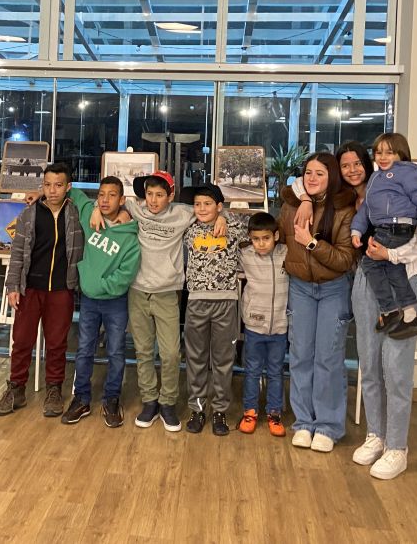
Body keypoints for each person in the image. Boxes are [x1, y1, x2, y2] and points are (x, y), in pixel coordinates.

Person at [295, 141, 417, 479]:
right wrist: (307, 200)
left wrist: (389, 255)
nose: (352, 170)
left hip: (403, 283)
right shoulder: (348, 199)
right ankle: (375, 436)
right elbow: (300, 182)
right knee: (369, 366)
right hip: (365, 285)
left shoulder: (405, 191)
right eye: (345, 165)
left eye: (358, 163)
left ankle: (397, 447)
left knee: (396, 371)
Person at [90, 170, 224, 432]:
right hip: (137, 290)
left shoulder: (183, 213)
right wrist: (97, 208)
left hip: (167, 292)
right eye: (149, 194)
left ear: (170, 196)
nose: (153, 200)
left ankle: (168, 403)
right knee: (143, 351)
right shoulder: (135, 209)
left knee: (171, 353)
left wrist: (223, 217)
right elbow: (111, 204)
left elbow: (209, 210)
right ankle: (150, 401)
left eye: (160, 195)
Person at [0, 163, 85, 417]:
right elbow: (17, 252)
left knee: (57, 343)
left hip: (62, 289)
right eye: (47, 185)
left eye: (58, 185)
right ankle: (16, 388)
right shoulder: (29, 214)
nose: (52, 190)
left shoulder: (76, 213)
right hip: (30, 287)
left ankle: (54, 389)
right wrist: (13, 285)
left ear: (68, 187)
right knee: (22, 341)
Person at [277, 153, 356, 453]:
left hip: (333, 288)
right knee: (300, 355)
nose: (312, 178)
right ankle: (303, 422)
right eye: (308, 172)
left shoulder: (344, 209)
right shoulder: (292, 204)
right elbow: (278, 235)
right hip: (300, 287)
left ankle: (327, 425)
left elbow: (345, 259)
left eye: (320, 173)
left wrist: (311, 243)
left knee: (328, 358)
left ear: (332, 177)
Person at [60, 176, 141, 427]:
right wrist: (36, 195)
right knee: (84, 349)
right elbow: (72, 192)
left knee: (116, 351)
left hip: (115, 302)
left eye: (112, 195)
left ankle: (111, 398)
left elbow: (126, 273)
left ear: (122, 200)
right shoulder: (90, 215)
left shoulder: (130, 237)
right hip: (89, 301)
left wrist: (99, 285)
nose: (105, 200)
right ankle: (81, 398)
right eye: (101, 195)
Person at [350, 133, 417, 339]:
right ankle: (409, 315)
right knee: (393, 268)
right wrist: (356, 230)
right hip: (385, 228)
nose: (382, 157)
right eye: (378, 152)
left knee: (370, 263)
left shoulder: (407, 172)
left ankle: (389, 310)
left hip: (398, 226)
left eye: (389, 152)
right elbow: (366, 208)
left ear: (401, 154)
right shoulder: (376, 177)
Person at [181, 183, 246, 436]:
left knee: (223, 359)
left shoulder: (232, 227)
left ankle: (219, 410)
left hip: (225, 302)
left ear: (219, 206)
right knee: (196, 358)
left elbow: (253, 225)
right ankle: (197, 409)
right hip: (196, 301)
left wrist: (224, 217)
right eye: (197, 204)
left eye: (208, 204)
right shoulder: (189, 229)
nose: (201, 208)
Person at [237, 211, 290, 438]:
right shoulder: (245, 254)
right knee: (252, 370)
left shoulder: (286, 253)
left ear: (275, 236)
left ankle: (274, 413)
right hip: (254, 326)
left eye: (266, 238)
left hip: (280, 326)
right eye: (256, 239)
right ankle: (250, 412)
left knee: (276, 371)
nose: (260, 244)